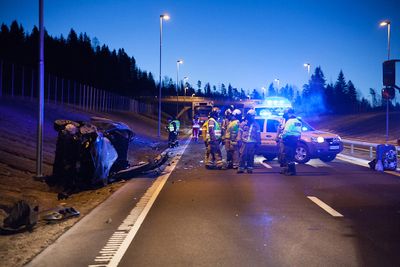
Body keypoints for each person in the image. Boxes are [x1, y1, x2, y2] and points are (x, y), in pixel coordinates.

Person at [237, 109, 261, 173]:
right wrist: (239, 140)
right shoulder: (243, 124)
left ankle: (249, 168)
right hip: (244, 142)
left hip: (252, 143)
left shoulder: (256, 124)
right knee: (242, 155)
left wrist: (258, 143)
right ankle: (241, 168)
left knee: (251, 156)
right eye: (252, 116)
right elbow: (240, 132)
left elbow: (258, 134)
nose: (252, 117)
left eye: (253, 116)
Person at [280, 108, 302, 175]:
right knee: (291, 155)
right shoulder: (298, 121)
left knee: (288, 155)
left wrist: (281, 137)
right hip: (295, 139)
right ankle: (289, 170)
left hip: (288, 139)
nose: (285, 114)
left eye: (286, 113)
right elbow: (299, 132)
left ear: (289, 113)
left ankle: (291, 171)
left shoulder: (289, 121)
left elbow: (286, 131)